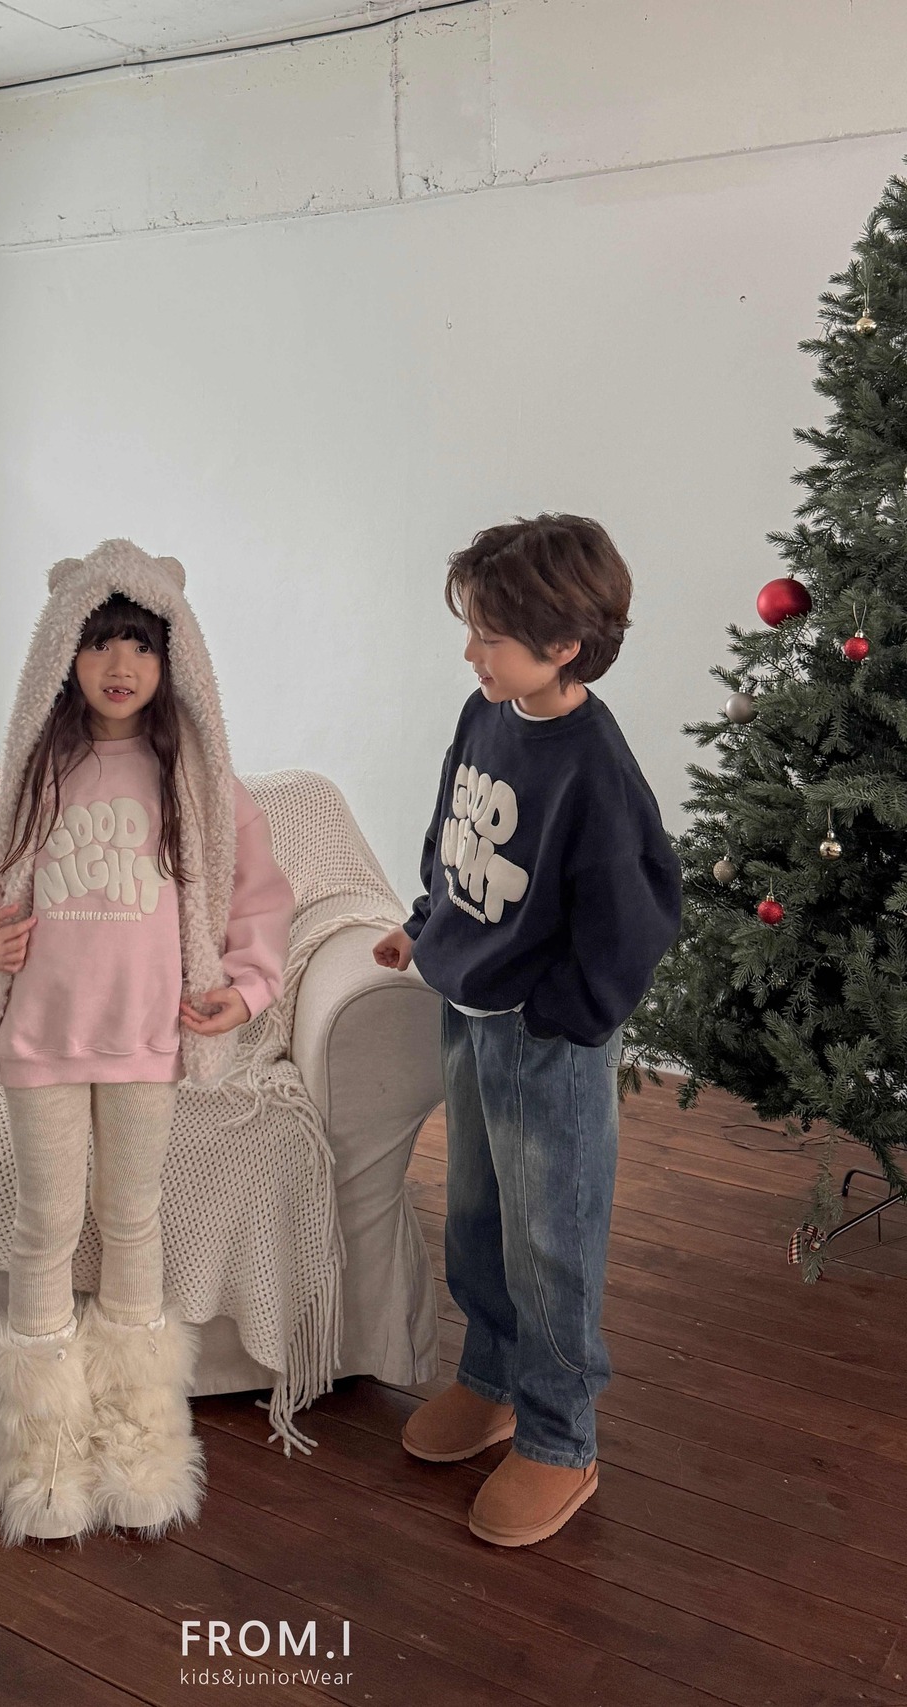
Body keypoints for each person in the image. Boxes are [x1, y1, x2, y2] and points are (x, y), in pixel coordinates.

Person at [0, 539, 293, 1546]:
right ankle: (43, 1451)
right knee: (45, 1224)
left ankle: (139, 1439)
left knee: (131, 1220)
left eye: (141, 644)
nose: (120, 664)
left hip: (145, 1043)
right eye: (98, 643)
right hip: (41, 1042)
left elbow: (258, 899)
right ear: (62, 655)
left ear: (174, 661)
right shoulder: (29, 775)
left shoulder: (201, 786)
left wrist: (246, 987)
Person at [373, 514, 681, 1548]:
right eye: (470, 630)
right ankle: (492, 1378)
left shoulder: (595, 770)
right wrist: (426, 925)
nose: (471, 652)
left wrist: (562, 1017)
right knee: (474, 1212)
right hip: (468, 1010)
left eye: (490, 636)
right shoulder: (486, 712)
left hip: (542, 1039)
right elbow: (453, 835)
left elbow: (640, 913)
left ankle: (559, 1435)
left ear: (562, 645)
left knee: (551, 1239)